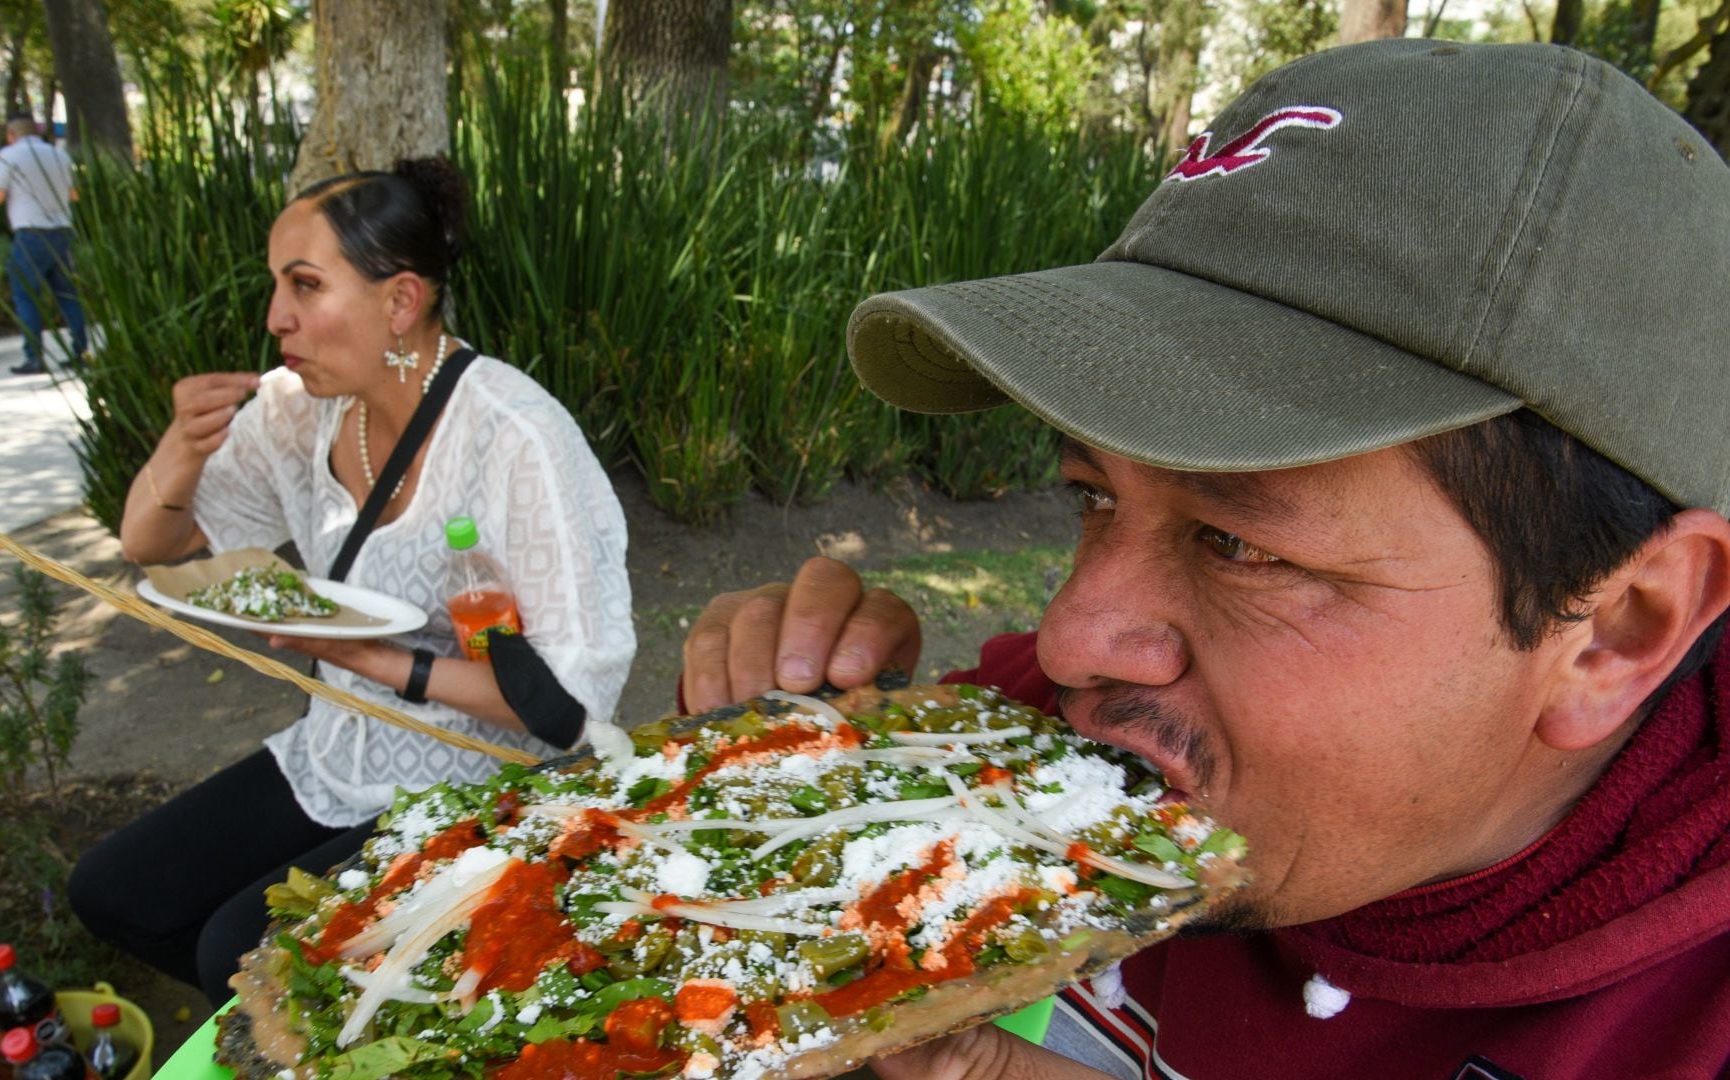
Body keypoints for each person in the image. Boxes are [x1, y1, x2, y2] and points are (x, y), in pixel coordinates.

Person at [683, 41, 1730, 1079]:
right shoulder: (1039, 744)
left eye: (1238, 544)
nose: (1071, 637)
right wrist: (793, 790)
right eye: (1093, 496)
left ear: (1616, 630)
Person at [67, 158, 637, 999]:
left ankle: (344, 1020)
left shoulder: (517, 439)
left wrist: (374, 661)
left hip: (480, 771)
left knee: (237, 947)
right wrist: (178, 450)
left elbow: (571, 703)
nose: (275, 318)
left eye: (304, 286)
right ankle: (305, 1026)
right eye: (276, 285)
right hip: (337, 751)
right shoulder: (302, 406)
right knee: (114, 892)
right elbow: (151, 545)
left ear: (400, 301)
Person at [0, 114, 88, 376]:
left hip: (31, 233)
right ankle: (81, 351)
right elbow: (74, 194)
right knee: (68, 295)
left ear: (11, 134)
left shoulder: (10, 155)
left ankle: (34, 358)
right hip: (62, 232)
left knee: (26, 296)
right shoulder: (59, 154)